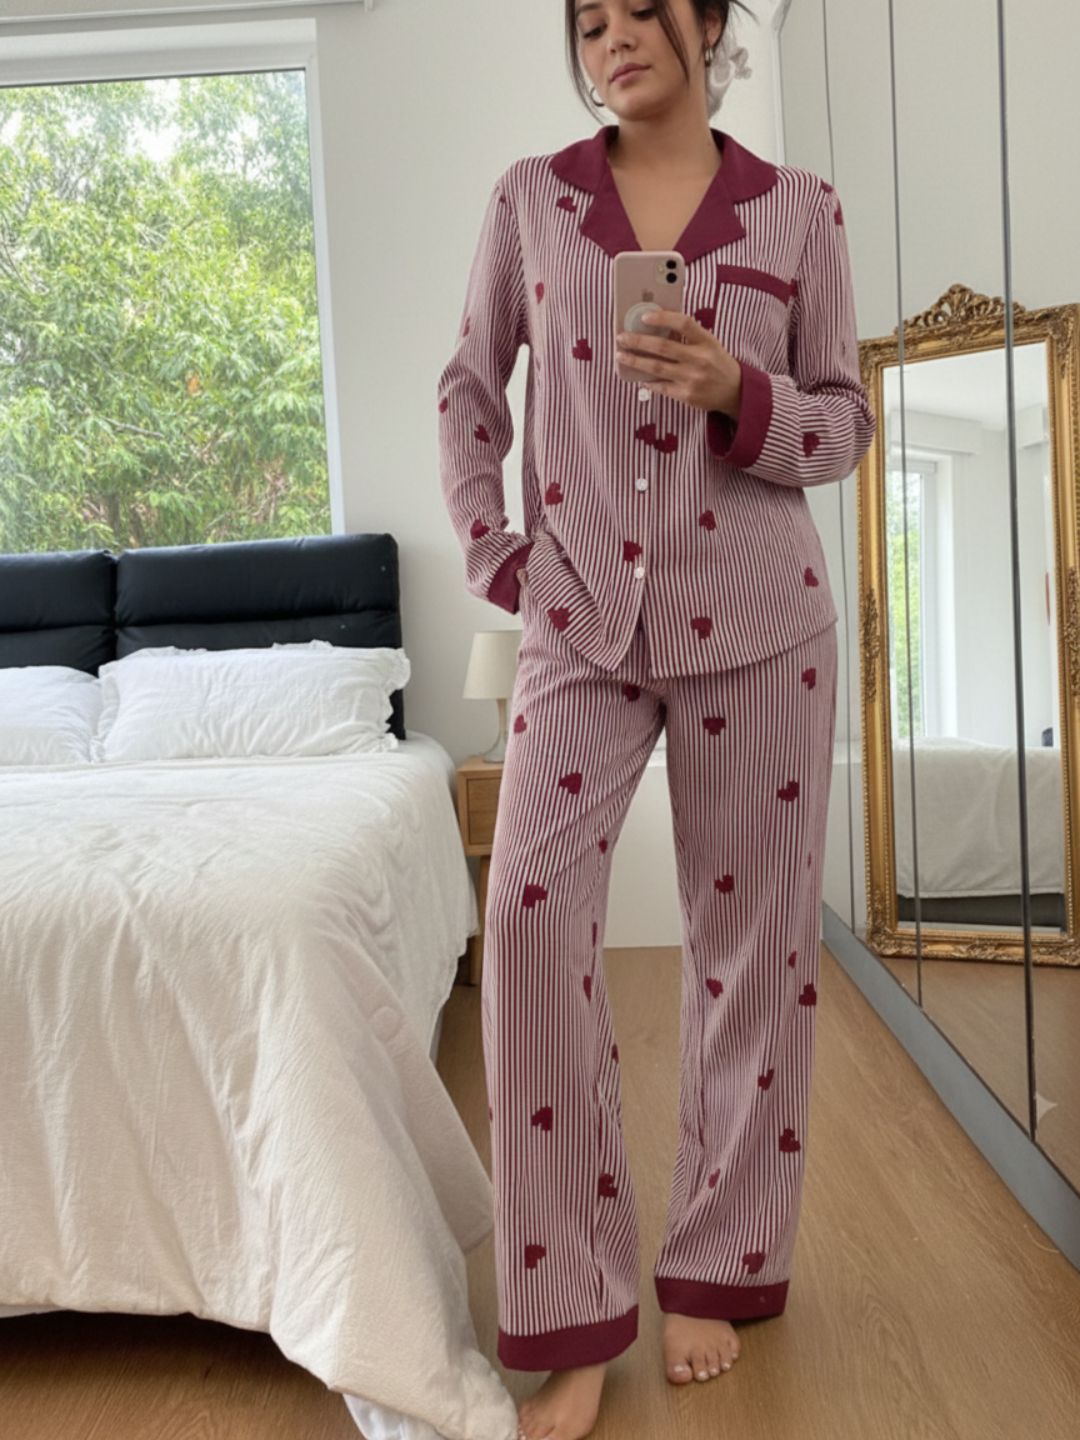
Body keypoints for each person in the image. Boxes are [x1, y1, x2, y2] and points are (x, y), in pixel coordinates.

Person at [436, 3, 877, 1437]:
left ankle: (717, 1267)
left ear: (709, 21)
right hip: (580, 624)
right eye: (587, 23)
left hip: (759, 620)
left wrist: (737, 388)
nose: (612, 40)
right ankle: (571, 1309)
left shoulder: (800, 212)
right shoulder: (533, 201)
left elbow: (846, 424)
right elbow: (470, 390)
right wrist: (503, 559)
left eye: (639, 10)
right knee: (528, 917)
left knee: (752, 949)